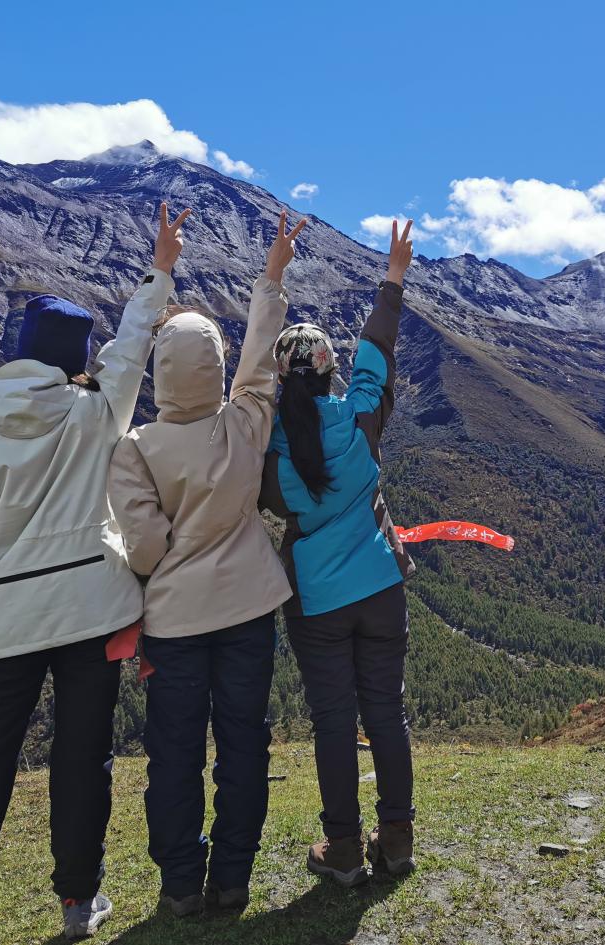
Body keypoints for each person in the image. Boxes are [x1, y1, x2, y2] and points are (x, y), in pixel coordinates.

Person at [0, 202, 191, 944]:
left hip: (5, 627)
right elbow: (133, 347)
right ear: (74, 356)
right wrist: (160, 269)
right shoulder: (94, 413)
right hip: (92, 613)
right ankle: (79, 900)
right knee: (83, 761)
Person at [106, 211, 305, 917]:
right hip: (250, 609)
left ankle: (180, 884)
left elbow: (147, 548)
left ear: (162, 374)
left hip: (175, 623)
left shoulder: (136, 448)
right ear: (215, 370)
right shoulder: (245, 419)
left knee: (175, 753)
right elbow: (259, 359)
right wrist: (272, 273)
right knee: (243, 743)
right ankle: (233, 878)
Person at [259, 220, 417, 887]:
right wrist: (392, 281)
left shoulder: (269, 451)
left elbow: (269, 498)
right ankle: (399, 839)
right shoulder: (359, 421)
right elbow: (379, 351)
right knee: (386, 710)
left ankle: (345, 849)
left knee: (333, 721)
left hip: (318, 602)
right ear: (331, 372)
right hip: (380, 586)